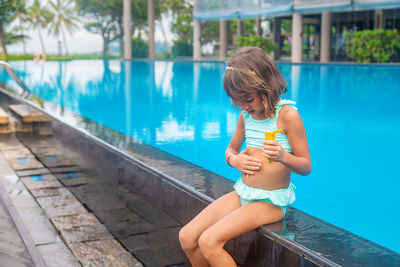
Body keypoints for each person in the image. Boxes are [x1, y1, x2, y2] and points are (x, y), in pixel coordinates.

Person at [178, 46, 312, 266]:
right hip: (243, 193)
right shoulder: (246, 116)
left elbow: (306, 166)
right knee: (187, 237)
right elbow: (230, 151)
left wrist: (283, 156)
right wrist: (235, 160)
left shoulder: (287, 116)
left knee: (209, 242)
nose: (242, 106)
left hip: (269, 201)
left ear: (266, 87)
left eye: (248, 99)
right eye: (237, 101)